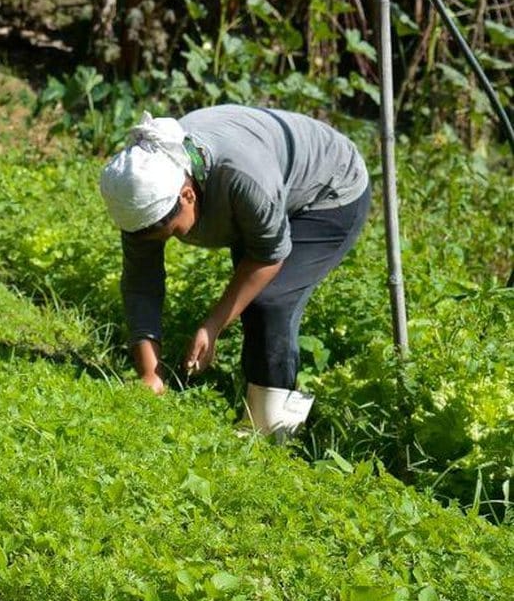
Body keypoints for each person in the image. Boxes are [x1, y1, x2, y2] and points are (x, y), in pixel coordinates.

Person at [98, 105, 370, 438]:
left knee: (269, 299)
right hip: (268, 187)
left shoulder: (242, 178)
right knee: (251, 297)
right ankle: (261, 399)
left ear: (187, 195)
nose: (168, 239)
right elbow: (141, 282)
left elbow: (268, 255)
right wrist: (150, 374)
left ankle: (272, 426)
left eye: (171, 231)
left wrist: (212, 326)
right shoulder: (142, 194)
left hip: (329, 189)